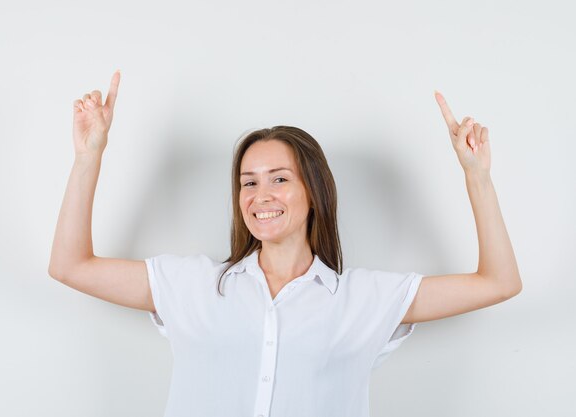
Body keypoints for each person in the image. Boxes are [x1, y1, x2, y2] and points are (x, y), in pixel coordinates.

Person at [48, 70, 523, 417]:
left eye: (279, 179)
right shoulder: (191, 284)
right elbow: (70, 266)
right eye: (248, 182)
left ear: (313, 191)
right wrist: (89, 157)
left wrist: (476, 177)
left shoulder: (364, 300)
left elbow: (498, 282)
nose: (261, 196)